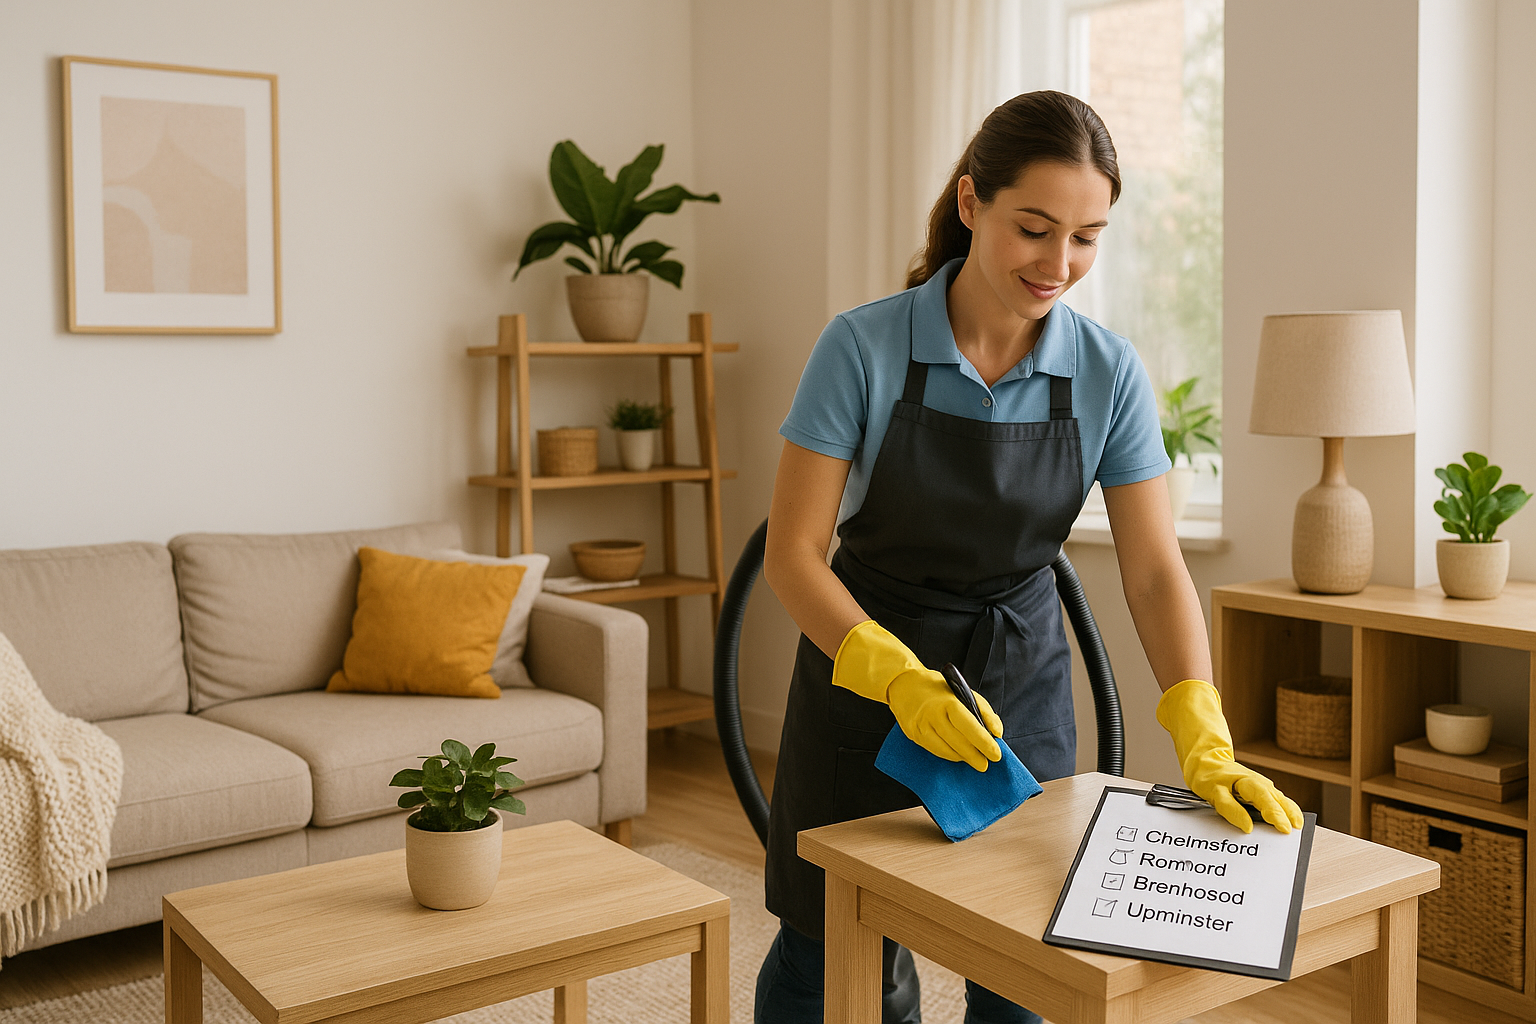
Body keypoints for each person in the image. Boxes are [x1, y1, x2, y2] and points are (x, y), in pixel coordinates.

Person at [755, 90, 1303, 1024]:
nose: (1059, 264)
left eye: (1087, 236)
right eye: (1035, 229)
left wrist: (1201, 725)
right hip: (866, 681)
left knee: (1025, 967)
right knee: (833, 959)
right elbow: (794, 555)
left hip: (1020, 684)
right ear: (971, 204)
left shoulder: (1107, 371)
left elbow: (1155, 569)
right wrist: (897, 678)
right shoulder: (863, 346)